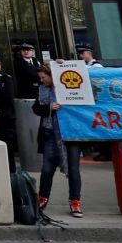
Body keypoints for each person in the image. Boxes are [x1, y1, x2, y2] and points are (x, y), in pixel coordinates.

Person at [33, 65, 83, 218]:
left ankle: (75, 201)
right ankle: (42, 198)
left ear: (52, 75)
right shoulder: (43, 90)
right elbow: (36, 108)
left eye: (44, 77)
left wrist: (62, 64)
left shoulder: (68, 86)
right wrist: (49, 107)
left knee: (73, 169)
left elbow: (77, 72)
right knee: (47, 168)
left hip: (70, 133)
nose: (42, 81)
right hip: (49, 133)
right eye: (40, 78)